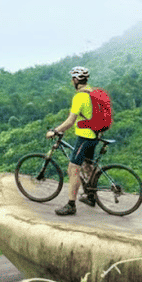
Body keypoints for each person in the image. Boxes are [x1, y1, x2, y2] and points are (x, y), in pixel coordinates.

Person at [47, 66, 99, 215]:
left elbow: (70, 121)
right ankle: (91, 196)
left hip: (85, 136)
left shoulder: (79, 97)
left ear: (76, 80)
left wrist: (56, 131)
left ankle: (71, 205)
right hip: (95, 135)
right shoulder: (92, 92)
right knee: (88, 166)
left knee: (73, 168)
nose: (71, 81)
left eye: (72, 79)